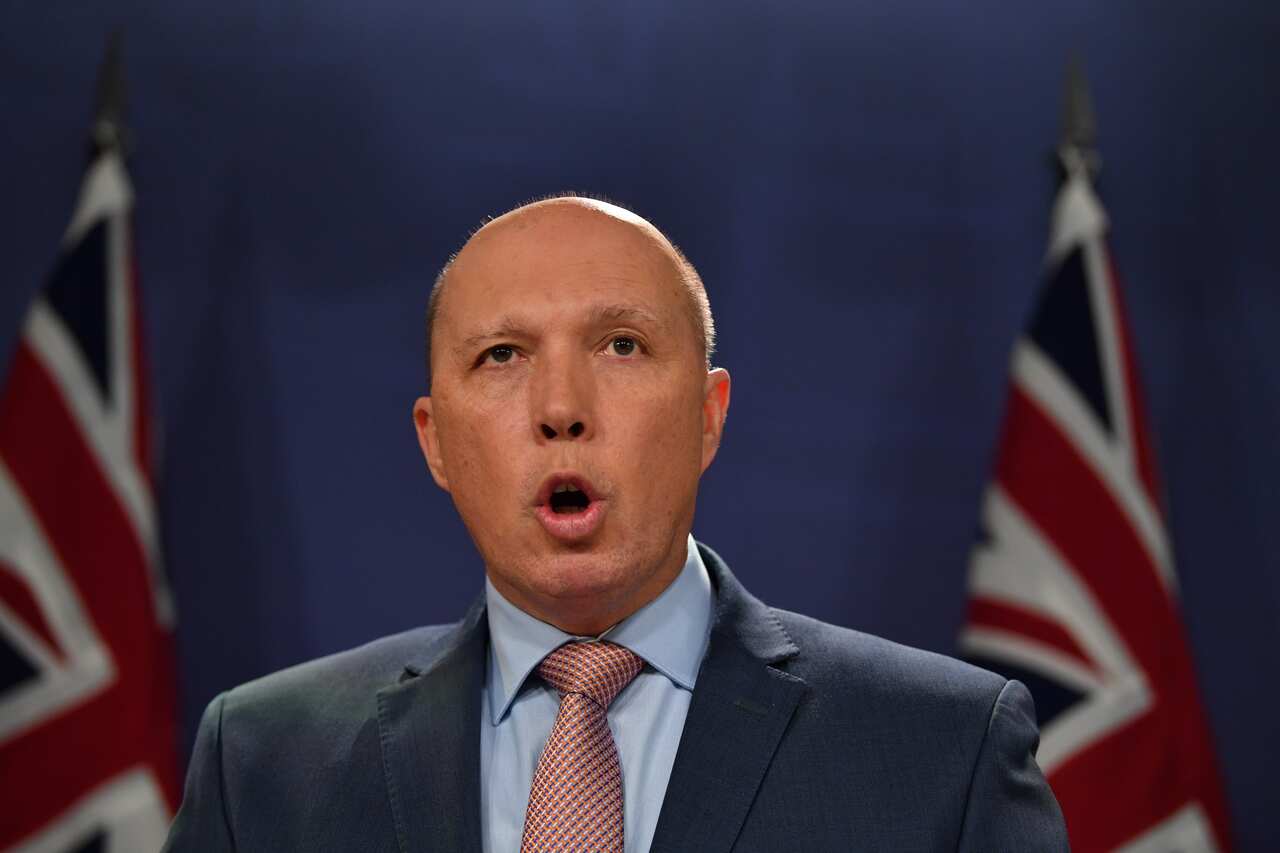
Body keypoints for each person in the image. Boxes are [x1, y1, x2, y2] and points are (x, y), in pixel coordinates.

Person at [163, 196, 1068, 852]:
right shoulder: (263, 765)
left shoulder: (942, 752)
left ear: (709, 414)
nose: (561, 407)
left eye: (621, 345)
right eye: (502, 355)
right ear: (435, 443)